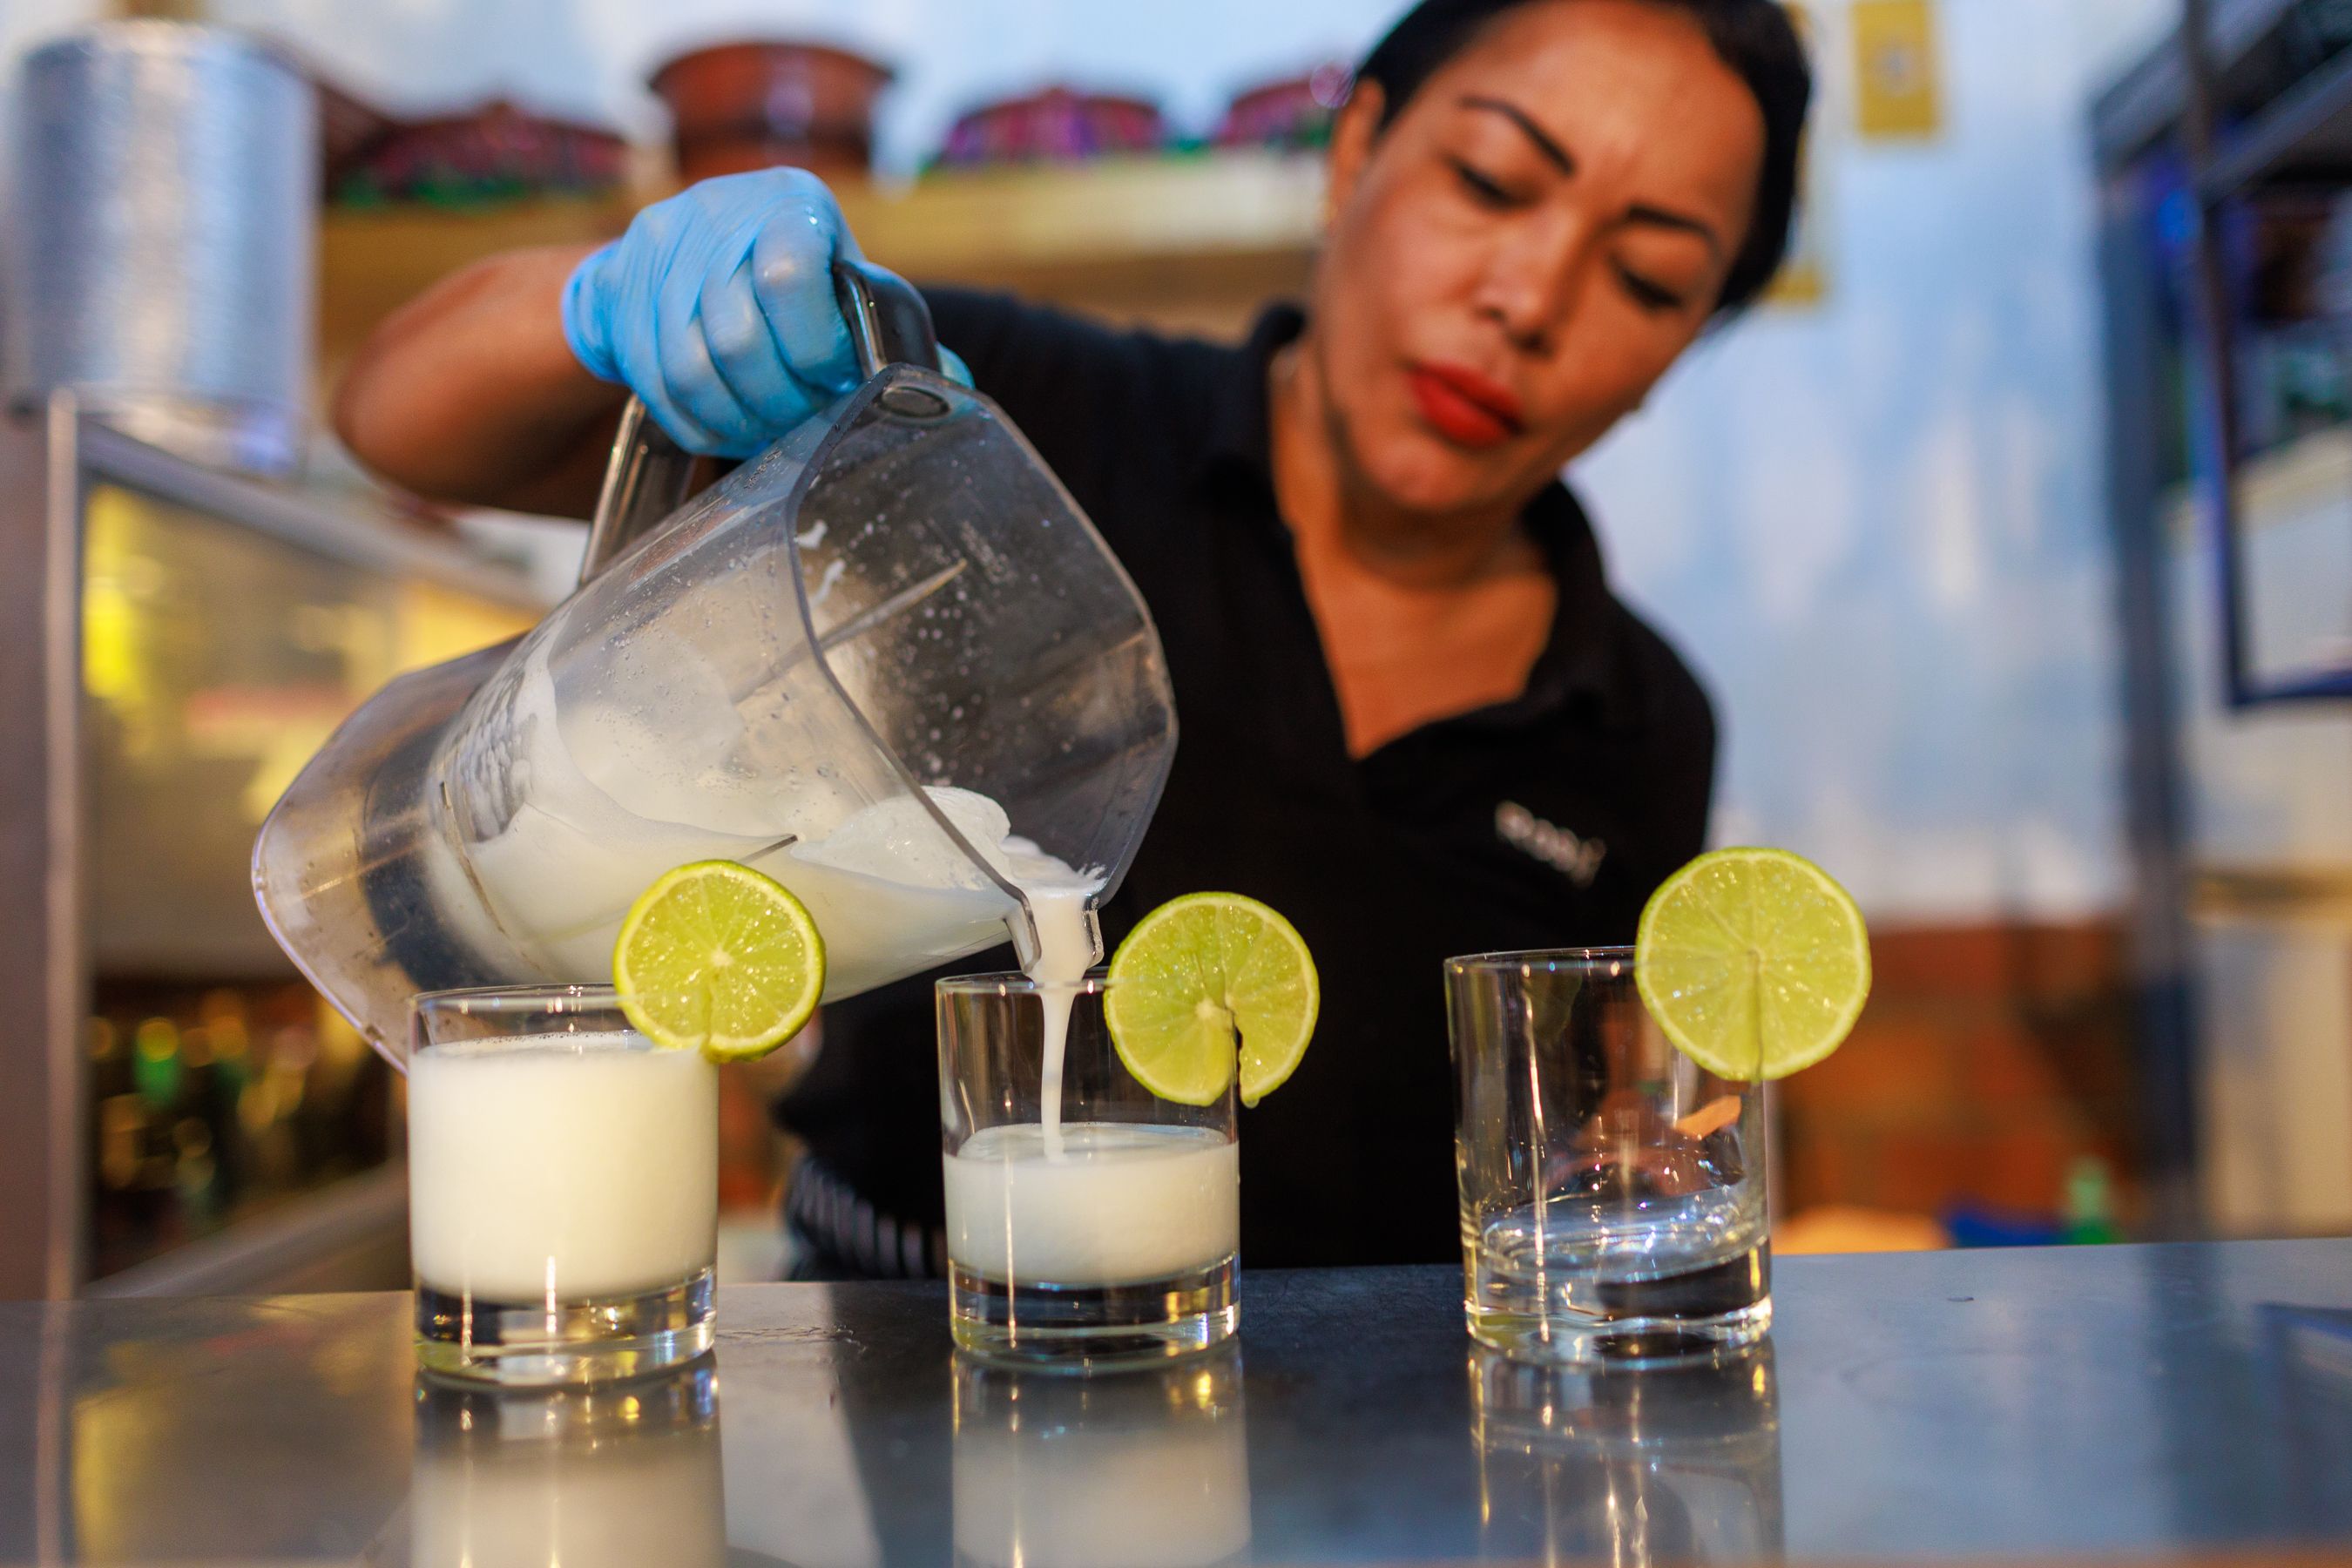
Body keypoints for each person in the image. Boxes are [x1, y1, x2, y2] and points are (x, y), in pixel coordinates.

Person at [335, 0, 1812, 1273]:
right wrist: (613, 305)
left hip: (1381, 1433)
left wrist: (1632, 1159)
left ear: (1684, 349)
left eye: (1648, 278)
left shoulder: (1637, 717)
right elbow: (402, 415)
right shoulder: (1003, 429)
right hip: (889, 1364)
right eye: (1493, 182)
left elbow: (1608, 1110)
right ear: (1356, 155)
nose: (1530, 299)